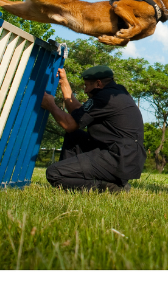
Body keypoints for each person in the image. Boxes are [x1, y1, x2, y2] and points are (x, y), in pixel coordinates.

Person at [41, 65, 146, 193]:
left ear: (98, 83)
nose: (85, 90)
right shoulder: (116, 93)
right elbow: (78, 113)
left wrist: (50, 105)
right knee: (75, 136)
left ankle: (109, 187)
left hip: (117, 158)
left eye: (87, 86)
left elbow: (69, 125)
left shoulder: (105, 98)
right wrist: (64, 82)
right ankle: (70, 178)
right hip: (125, 156)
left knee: (54, 173)